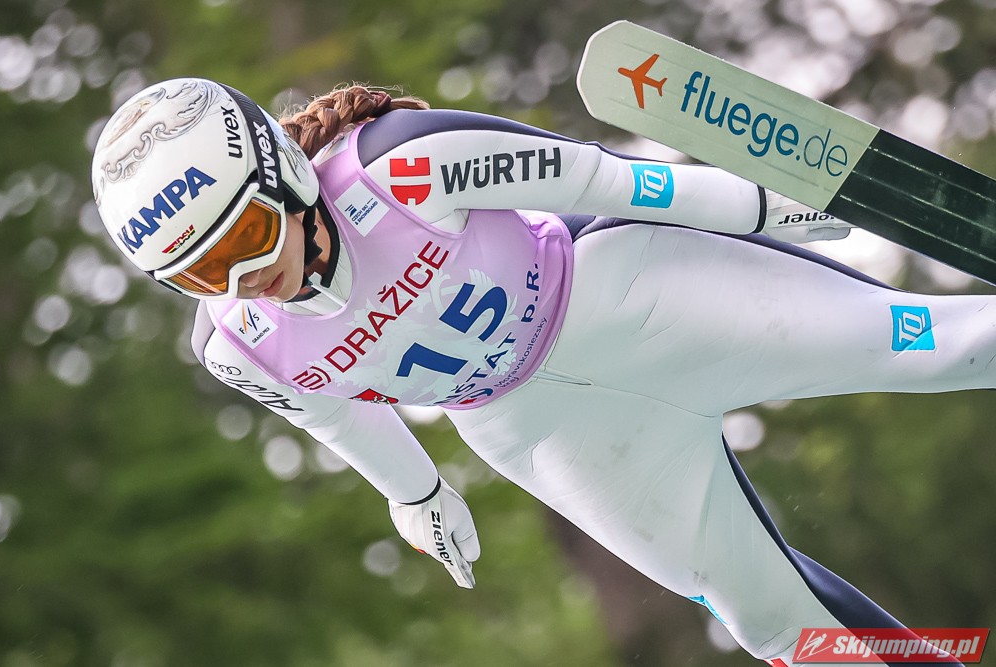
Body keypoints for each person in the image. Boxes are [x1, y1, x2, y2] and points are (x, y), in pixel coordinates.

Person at [91, 78, 990, 667]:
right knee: (775, 625)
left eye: (248, 238)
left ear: (284, 170)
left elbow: (615, 181)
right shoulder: (238, 344)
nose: (247, 281)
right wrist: (417, 493)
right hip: (539, 429)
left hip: (625, 298)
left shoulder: (399, 164)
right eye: (203, 275)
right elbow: (332, 413)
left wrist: (757, 205)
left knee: (942, 350)